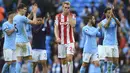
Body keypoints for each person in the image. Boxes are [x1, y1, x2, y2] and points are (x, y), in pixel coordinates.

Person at [13, 3, 44, 73]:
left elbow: (26, 19)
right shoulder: (22, 17)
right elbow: (34, 22)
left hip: (17, 41)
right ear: (20, 9)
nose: (25, 11)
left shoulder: (15, 17)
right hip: (24, 41)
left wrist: (32, 12)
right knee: (29, 60)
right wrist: (35, 13)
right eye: (24, 9)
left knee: (19, 61)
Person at [54, 1, 76, 73]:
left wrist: (69, 17)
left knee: (69, 58)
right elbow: (56, 28)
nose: (67, 9)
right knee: (63, 60)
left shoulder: (72, 15)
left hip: (70, 41)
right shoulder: (58, 17)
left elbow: (73, 25)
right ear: (62, 8)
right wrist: (57, 37)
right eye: (65, 8)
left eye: (68, 8)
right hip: (61, 41)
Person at [99, 7, 120, 73]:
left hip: (115, 43)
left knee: (116, 63)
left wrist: (113, 17)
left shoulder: (115, 19)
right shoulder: (103, 21)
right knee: (110, 63)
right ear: (105, 13)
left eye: (111, 12)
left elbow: (119, 25)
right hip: (107, 44)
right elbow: (106, 26)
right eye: (108, 12)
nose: (110, 13)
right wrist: (110, 18)